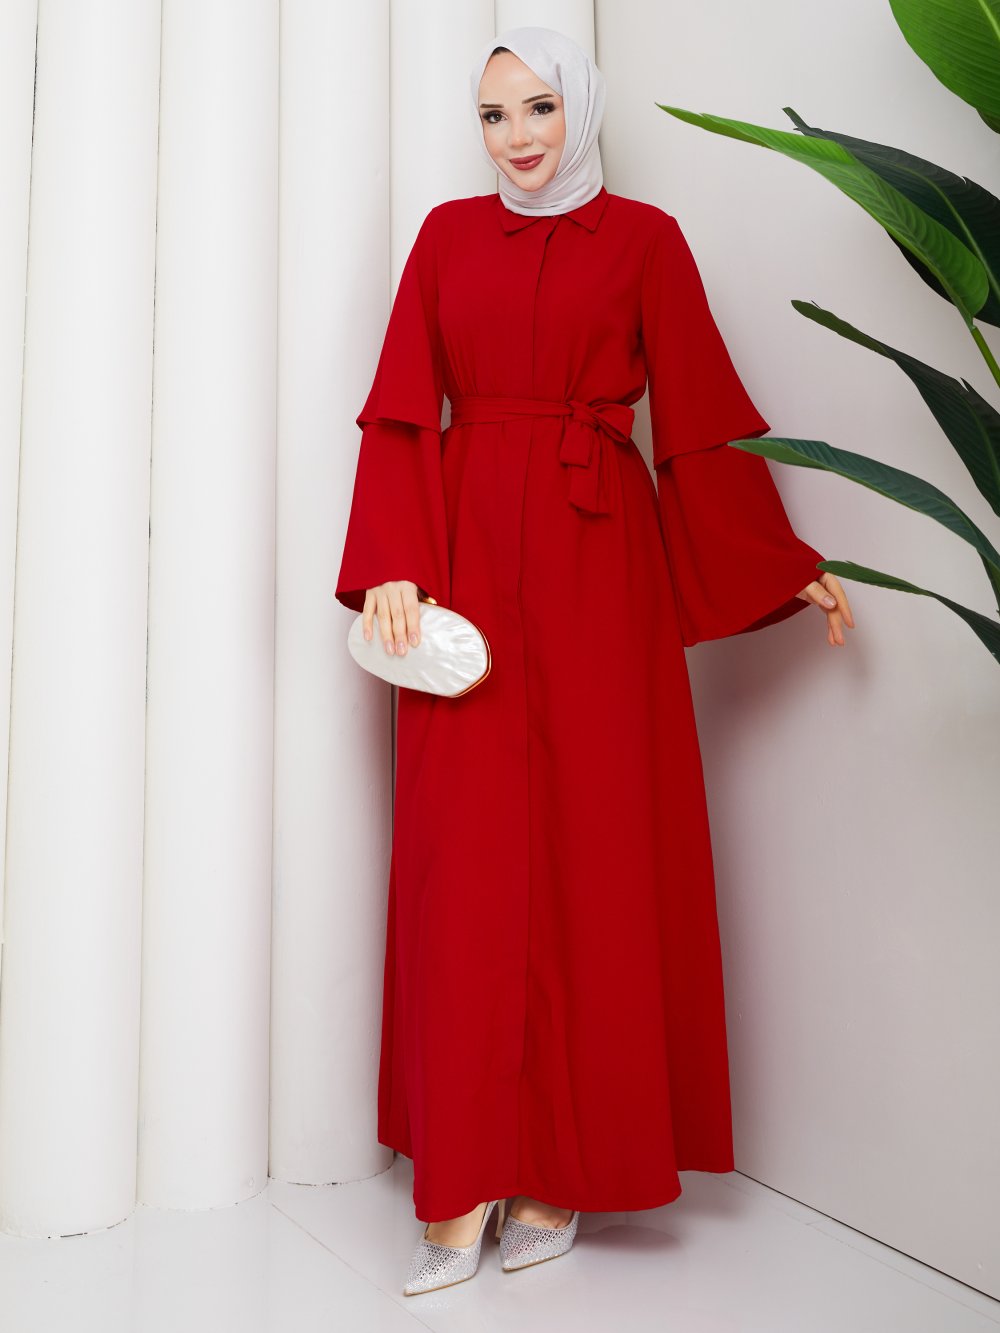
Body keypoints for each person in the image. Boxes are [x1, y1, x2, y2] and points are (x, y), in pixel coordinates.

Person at [335, 25, 855, 1297]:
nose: (515, 138)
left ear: (582, 109)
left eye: (538, 109)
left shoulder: (646, 242)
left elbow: (702, 416)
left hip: (596, 563)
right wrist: (393, 558)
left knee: (594, 853)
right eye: (493, 116)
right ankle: (461, 1178)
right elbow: (401, 403)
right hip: (464, 564)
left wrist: (779, 560)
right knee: (463, 866)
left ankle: (559, 1173)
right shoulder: (446, 239)